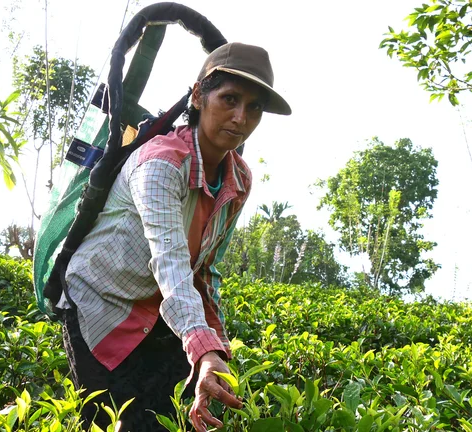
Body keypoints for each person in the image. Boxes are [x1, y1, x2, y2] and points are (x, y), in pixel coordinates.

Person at [58, 42, 291, 432]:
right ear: (199, 95)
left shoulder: (239, 179)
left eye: (254, 108)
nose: (240, 118)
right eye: (230, 99)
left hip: (160, 312)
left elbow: (205, 270)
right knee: (112, 424)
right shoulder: (162, 163)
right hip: (98, 306)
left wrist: (215, 348)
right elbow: (171, 263)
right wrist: (200, 347)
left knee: (172, 423)